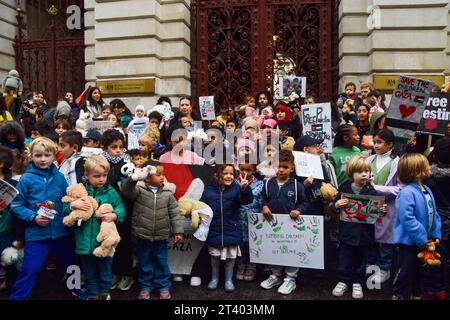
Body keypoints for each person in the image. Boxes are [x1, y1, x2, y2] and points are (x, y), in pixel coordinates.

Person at [8, 137, 84, 300]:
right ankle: (18, 296)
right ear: (31, 156)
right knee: (29, 269)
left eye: (47, 155)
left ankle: (76, 288)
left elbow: (66, 199)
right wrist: (33, 217)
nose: (43, 159)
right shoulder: (26, 179)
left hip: (61, 232)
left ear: (54, 155)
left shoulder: (59, 177)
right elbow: (16, 206)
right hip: (37, 235)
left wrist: (74, 205)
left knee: (71, 264)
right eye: (38, 155)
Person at [65, 155, 125, 300]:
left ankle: (104, 291)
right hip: (84, 240)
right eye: (96, 176)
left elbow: (121, 208)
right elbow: (65, 209)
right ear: (86, 175)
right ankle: (92, 293)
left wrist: (115, 215)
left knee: (105, 268)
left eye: (104, 175)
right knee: (89, 270)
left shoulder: (111, 193)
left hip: (105, 241)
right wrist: (73, 205)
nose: (101, 179)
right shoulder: (78, 191)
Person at [121, 162, 184, 300]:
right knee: (144, 263)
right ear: (147, 178)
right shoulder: (139, 190)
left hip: (161, 237)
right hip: (142, 236)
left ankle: (163, 286)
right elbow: (126, 191)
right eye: (158, 174)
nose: (162, 177)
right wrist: (134, 177)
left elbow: (175, 213)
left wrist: (178, 231)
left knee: (161, 262)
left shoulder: (168, 194)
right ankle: (145, 286)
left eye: (163, 174)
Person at [331, 155, 387, 300]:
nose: (364, 174)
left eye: (366, 171)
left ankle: (358, 281)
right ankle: (343, 280)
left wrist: (381, 211)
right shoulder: (344, 188)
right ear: (351, 174)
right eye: (359, 172)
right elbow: (333, 207)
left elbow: (378, 214)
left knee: (362, 259)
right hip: (346, 233)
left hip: (365, 234)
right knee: (345, 258)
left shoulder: (372, 192)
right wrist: (336, 205)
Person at [391, 153, 441, 300]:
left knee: (421, 271)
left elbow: (434, 214)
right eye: (426, 164)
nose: (429, 166)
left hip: (425, 241)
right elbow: (408, 219)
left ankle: (416, 294)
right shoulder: (406, 193)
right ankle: (397, 294)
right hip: (409, 243)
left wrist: (435, 235)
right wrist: (421, 238)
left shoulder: (426, 189)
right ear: (417, 170)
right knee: (404, 270)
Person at [260, 150, 308, 295]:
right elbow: (263, 198)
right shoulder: (268, 183)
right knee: (273, 250)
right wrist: (264, 206)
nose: (281, 169)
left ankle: (290, 278)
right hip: (272, 225)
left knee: (291, 251)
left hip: (291, 226)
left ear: (292, 168)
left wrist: (298, 210)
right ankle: (275, 275)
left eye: (285, 167)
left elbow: (304, 202)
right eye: (278, 166)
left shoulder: (296, 185)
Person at [201, 164, 253, 292]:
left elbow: (247, 200)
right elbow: (202, 206)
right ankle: (214, 278)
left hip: (232, 229)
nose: (229, 176)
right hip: (214, 229)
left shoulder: (237, 188)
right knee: (214, 257)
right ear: (216, 175)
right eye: (225, 173)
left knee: (230, 258)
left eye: (231, 173)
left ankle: (228, 280)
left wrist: (245, 189)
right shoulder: (208, 190)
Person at [100, 129, 134, 292]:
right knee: (109, 242)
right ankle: (113, 273)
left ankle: (127, 274)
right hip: (105, 211)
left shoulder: (127, 164)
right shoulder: (100, 164)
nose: (118, 150)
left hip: (124, 210)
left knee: (124, 243)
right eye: (114, 147)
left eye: (121, 147)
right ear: (104, 147)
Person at [366, 129, 401, 284]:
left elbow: (400, 188)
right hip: (369, 205)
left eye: (379, 142)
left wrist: (376, 188)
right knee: (370, 236)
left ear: (390, 144)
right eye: (375, 141)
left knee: (385, 240)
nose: (376, 145)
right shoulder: (369, 159)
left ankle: (385, 268)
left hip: (388, 207)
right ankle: (372, 265)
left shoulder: (397, 162)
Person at [236, 159, 264, 281]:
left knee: (253, 242)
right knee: (240, 242)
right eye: (242, 169)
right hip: (238, 217)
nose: (245, 172)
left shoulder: (260, 184)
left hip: (254, 217)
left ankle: (252, 265)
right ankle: (241, 264)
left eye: (248, 170)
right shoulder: (234, 183)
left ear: (254, 170)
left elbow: (260, 199)